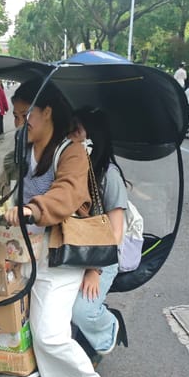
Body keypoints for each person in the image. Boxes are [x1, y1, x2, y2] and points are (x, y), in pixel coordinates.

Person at [3, 79, 113, 377]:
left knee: (50, 334)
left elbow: (67, 194)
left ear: (47, 111)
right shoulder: (22, 151)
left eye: (25, 115)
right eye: (16, 116)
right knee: (23, 326)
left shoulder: (72, 151)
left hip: (59, 258)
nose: (19, 123)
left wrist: (31, 210)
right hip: (21, 252)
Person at [68, 108, 128, 356]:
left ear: (94, 137)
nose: (71, 137)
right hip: (71, 249)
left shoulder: (109, 176)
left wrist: (94, 270)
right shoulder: (68, 168)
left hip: (103, 257)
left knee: (81, 310)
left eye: (77, 131)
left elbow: (115, 235)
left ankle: (107, 327)